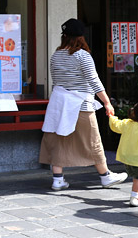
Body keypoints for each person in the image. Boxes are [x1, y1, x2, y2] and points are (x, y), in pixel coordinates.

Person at [39, 18, 127, 191]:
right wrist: (107, 102)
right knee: (92, 140)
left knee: (59, 140)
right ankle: (105, 176)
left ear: (64, 36)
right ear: (81, 37)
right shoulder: (82, 55)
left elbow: (56, 80)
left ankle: (57, 179)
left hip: (59, 103)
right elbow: (94, 81)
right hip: (81, 104)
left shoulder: (55, 55)